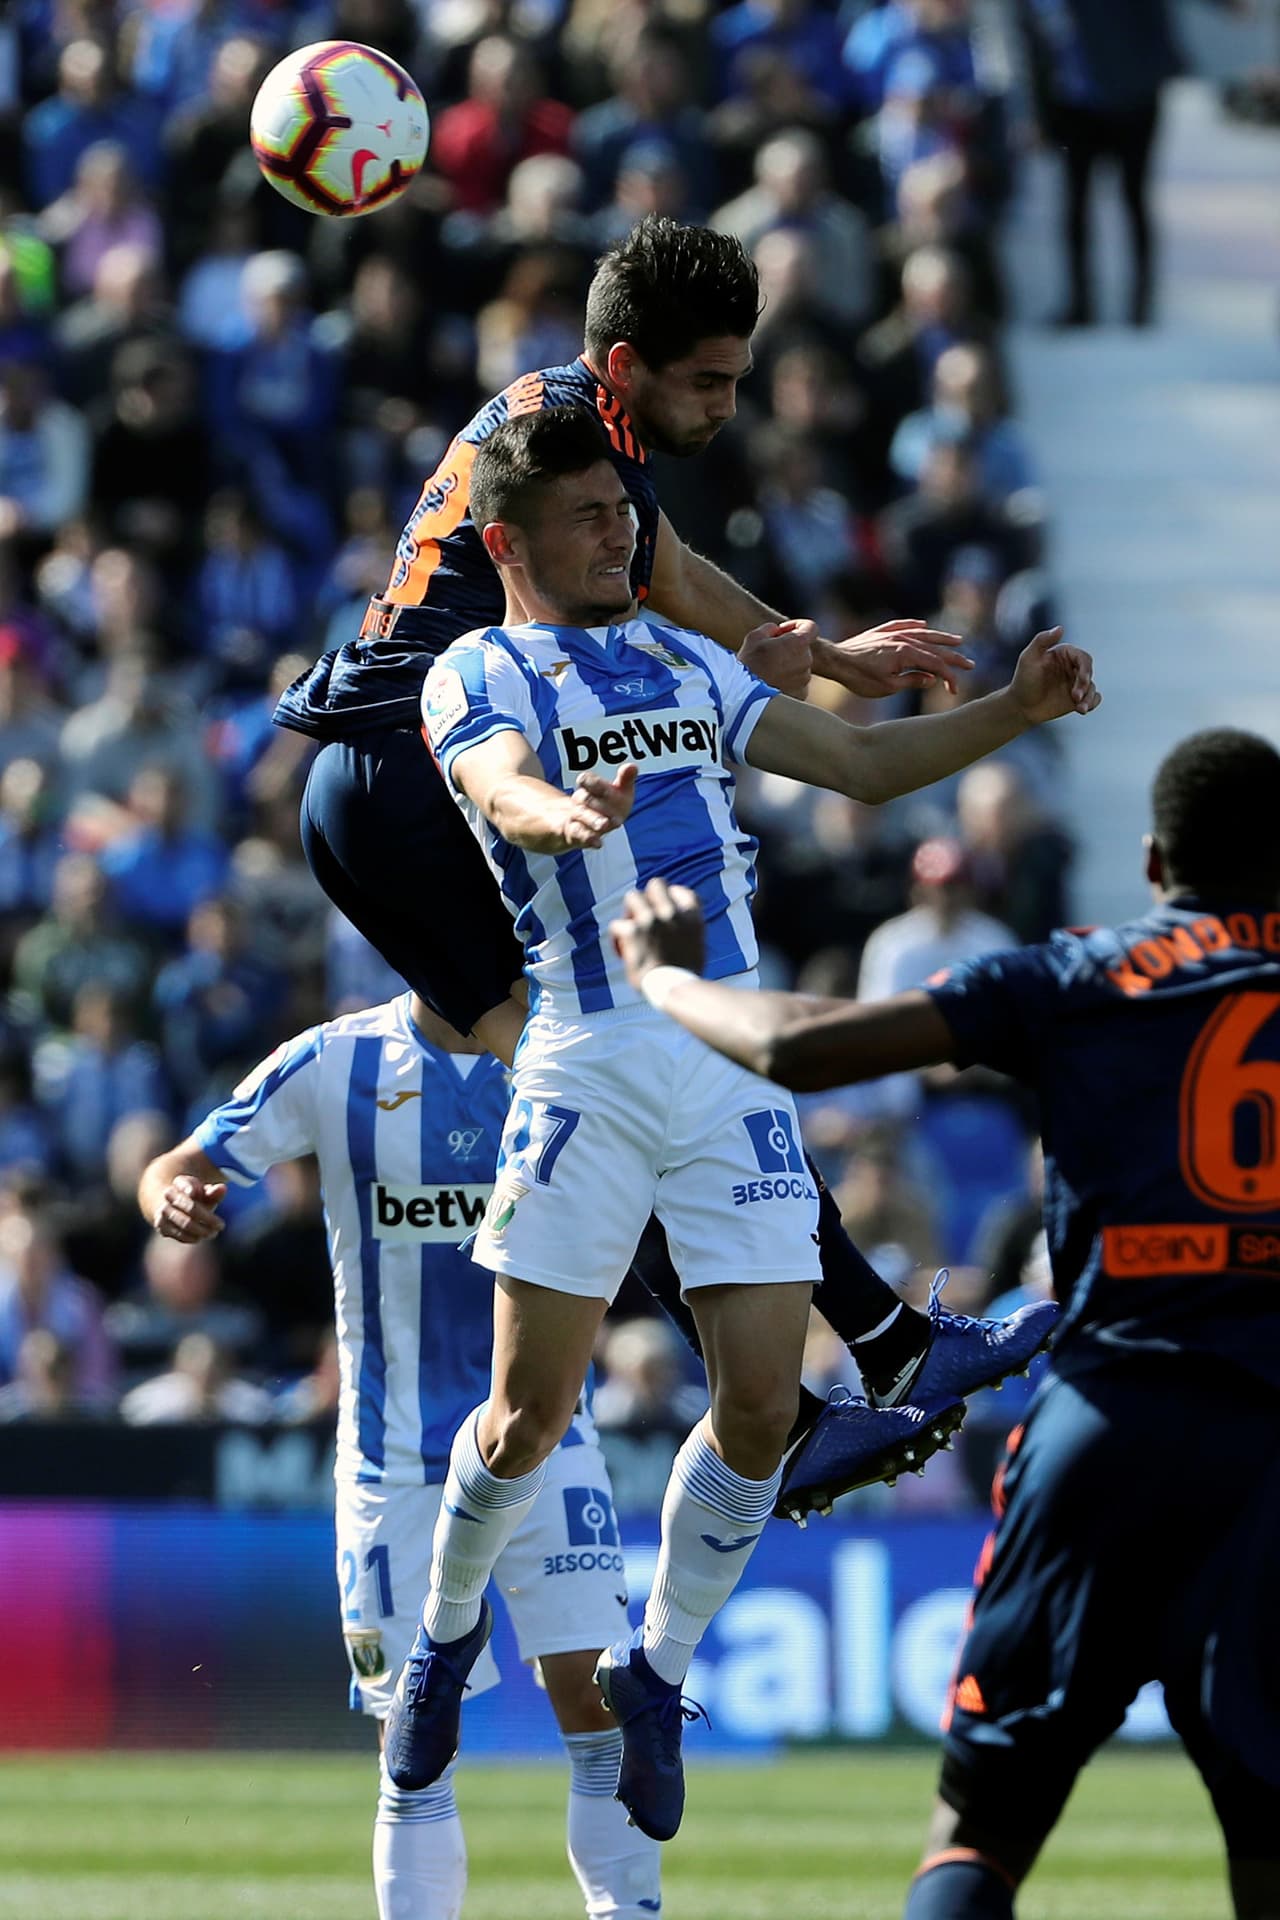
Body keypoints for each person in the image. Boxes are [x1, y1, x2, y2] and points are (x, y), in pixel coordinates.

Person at [386, 406, 1096, 1838]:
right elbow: (491, 782)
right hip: (584, 1060)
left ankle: (654, 1673)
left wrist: (1014, 709)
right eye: (589, 518)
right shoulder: (481, 665)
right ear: (511, 542)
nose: (619, 535)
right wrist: (559, 817)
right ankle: (446, 1635)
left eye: (624, 514)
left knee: (766, 1411)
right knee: (525, 1418)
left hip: (723, 1063)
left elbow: (864, 769)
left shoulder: (686, 662)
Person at [275, 215, 1050, 1508]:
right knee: (637, 1075)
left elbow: (679, 577)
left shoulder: (574, 426)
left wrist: (838, 660)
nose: (728, 407)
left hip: (393, 788)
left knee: (659, 1066)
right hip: (418, 787)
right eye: (709, 381)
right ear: (628, 364)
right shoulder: (568, 458)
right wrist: (547, 807)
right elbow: (671, 588)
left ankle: (875, 1350)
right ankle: (841, 1375)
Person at [608, 726, 1280, 1920]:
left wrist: (666, 979)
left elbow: (800, 1047)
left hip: (1104, 1425)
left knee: (978, 1831)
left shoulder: (1078, 973)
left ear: (1148, 857)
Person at [137, 992, 662, 1920]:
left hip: (547, 1435)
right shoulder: (337, 1061)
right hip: (396, 1460)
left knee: (596, 1704)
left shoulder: (554, 1050)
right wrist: (169, 1197)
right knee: (416, 1737)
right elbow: (177, 1163)